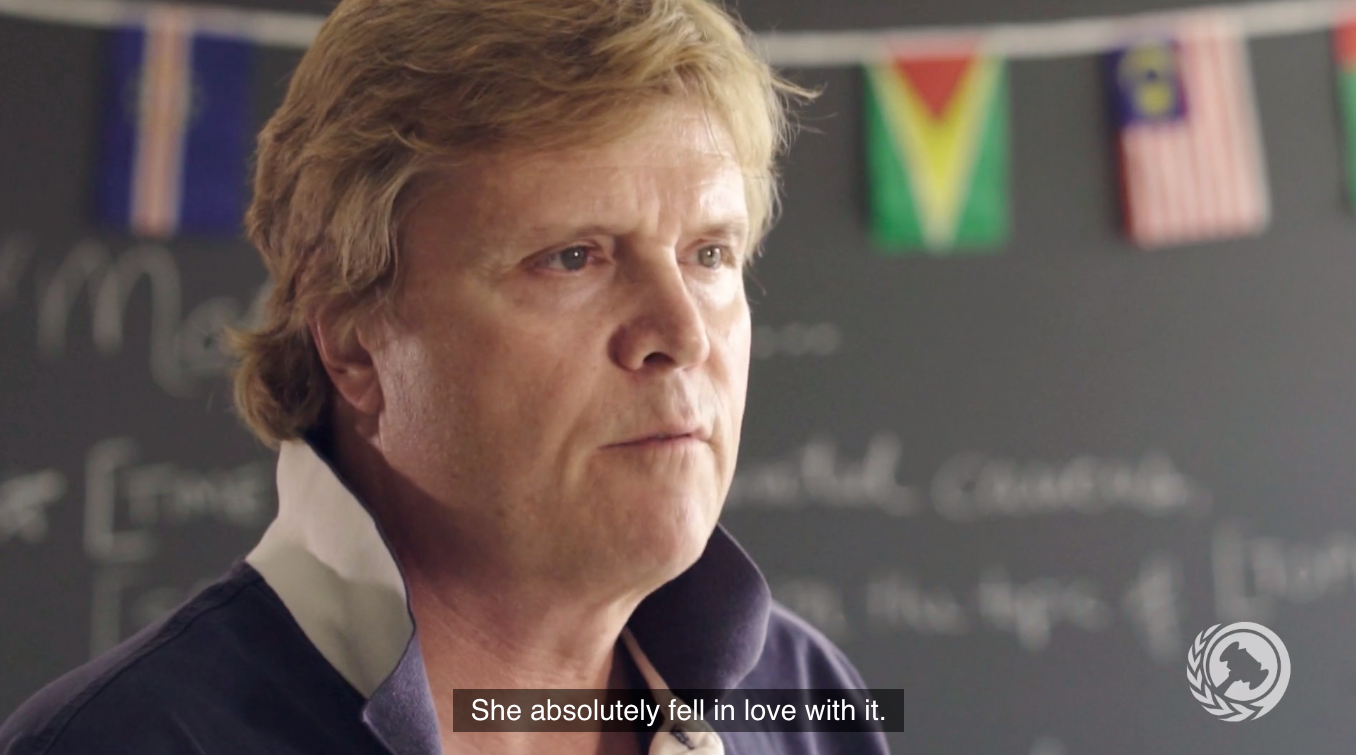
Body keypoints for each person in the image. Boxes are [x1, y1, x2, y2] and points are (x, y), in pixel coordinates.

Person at [1, 1, 890, 754]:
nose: (683, 334)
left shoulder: (810, 705)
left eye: (710, 254)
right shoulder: (124, 739)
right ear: (355, 343)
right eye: (572, 257)